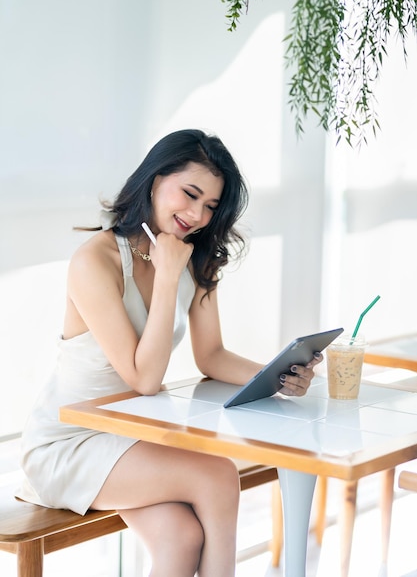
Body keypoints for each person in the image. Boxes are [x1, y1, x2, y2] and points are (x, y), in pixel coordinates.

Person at [17, 129, 322, 577]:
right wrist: (165, 275)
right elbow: (144, 378)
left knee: (180, 537)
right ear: (155, 179)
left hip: (129, 433)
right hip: (69, 440)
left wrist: (278, 373)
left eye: (211, 207)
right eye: (190, 194)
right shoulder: (94, 261)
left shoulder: (191, 259)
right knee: (217, 475)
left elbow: (212, 355)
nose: (197, 215)